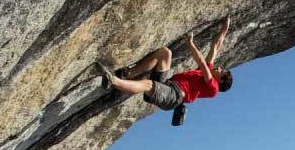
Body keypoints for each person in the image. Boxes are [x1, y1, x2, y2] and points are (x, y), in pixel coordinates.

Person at [95, 16, 234, 113]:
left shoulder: (213, 88)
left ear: (221, 80)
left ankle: (113, 80)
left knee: (147, 84)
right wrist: (225, 28)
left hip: (174, 96)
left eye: (222, 71)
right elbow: (215, 47)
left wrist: (190, 44)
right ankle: (127, 74)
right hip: (168, 84)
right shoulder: (207, 73)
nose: (220, 68)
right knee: (165, 53)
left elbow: (203, 64)